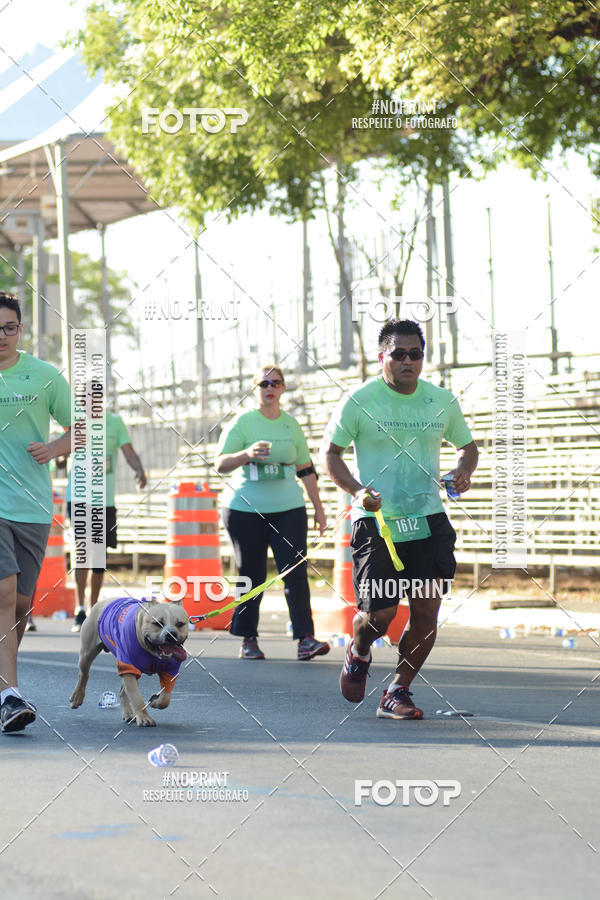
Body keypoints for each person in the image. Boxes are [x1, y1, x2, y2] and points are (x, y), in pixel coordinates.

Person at [321, 319, 478, 720]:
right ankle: (359, 649)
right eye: (399, 354)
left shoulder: (441, 401)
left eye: (416, 354)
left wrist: (463, 470)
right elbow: (331, 454)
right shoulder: (359, 400)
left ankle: (398, 690)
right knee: (381, 616)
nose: (408, 361)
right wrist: (357, 490)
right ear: (382, 357)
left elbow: (467, 446)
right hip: (378, 522)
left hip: (427, 519)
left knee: (426, 612)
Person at [215, 364, 330, 660]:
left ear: (283, 388)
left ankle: (306, 639)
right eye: (263, 384)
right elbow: (220, 464)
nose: (270, 388)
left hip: (288, 508)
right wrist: (246, 454)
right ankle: (248, 639)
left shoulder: (290, 425)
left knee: (294, 572)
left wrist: (318, 509)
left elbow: (306, 468)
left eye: (275, 383)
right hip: (245, 509)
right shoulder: (243, 422)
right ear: (255, 388)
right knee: (251, 573)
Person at [0, 292, 73, 732]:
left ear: (20, 329)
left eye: (9, 328)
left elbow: (81, 428)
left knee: (23, 605)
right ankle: (10, 695)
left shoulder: (44, 375)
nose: (1, 336)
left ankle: (2, 683)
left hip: (32, 506)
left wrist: (54, 448)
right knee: (4, 593)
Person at [67, 409, 147, 631]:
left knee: (99, 554)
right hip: (79, 497)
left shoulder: (115, 423)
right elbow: (61, 447)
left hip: (104, 500)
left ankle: (93, 609)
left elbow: (129, 452)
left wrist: (139, 469)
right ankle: (79, 609)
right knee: (83, 549)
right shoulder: (73, 419)